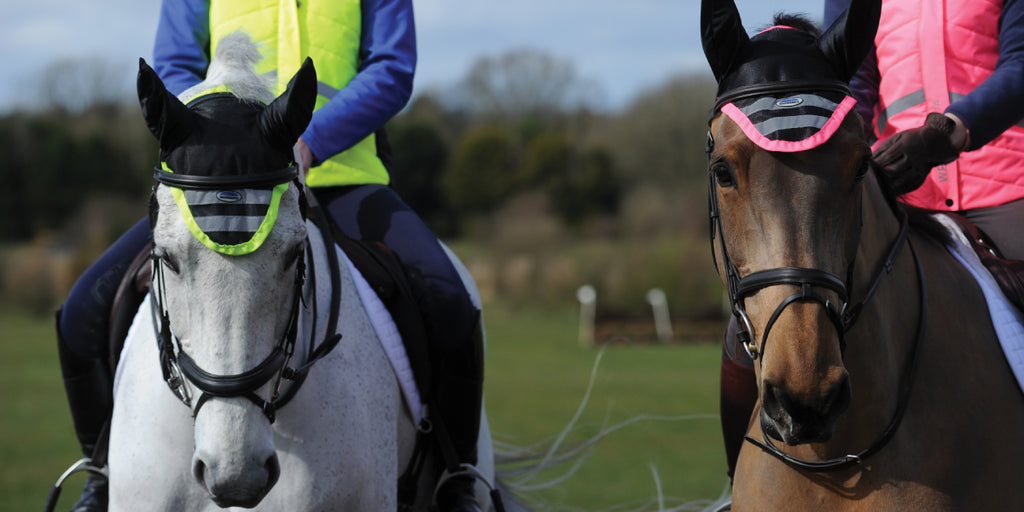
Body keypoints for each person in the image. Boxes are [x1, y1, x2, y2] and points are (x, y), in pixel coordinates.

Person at [56, 1, 485, 511]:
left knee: (448, 298)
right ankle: (100, 474)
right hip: (225, 181)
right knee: (85, 307)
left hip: (343, 176)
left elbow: (391, 70)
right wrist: (222, 135)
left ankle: (459, 478)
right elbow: (173, 65)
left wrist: (309, 140)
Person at [718, 0, 1024, 482]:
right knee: (751, 325)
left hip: (1006, 186)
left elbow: (1020, 65)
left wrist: (948, 133)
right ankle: (737, 482)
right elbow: (851, 80)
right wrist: (845, 152)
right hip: (895, 184)